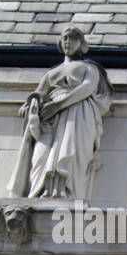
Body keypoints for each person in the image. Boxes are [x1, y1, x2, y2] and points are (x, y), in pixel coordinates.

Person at [9, 24, 113, 202]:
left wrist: (58, 105)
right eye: (65, 38)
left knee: (70, 152)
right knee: (40, 157)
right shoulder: (51, 73)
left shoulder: (89, 68)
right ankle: (39, 192)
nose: (68, 42)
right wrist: (33, 106)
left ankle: (68, 192)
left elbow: (87, 88)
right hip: (48, 117)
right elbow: (39, 94)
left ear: (82, 45)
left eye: (73, 38)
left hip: (76, 112)